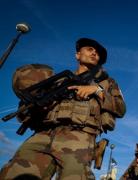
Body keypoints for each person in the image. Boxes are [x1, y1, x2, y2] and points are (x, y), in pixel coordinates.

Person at [0, 38, 126, 180]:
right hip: (42, 133)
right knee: (15, 174)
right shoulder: (57, 81)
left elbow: (121, 108)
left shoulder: (107, 83)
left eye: (97, 53)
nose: (94, 53)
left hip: (79, 136)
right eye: (90, 49)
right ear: (77, 55)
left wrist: (97, 90)